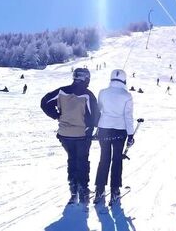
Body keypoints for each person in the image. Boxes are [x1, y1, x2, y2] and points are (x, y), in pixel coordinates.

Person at [40, 68, 99, 205]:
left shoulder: (61, 91)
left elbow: (44, 102)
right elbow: (95, 117)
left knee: (72, 159)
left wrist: (56, 115)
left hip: (65, 134)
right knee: (82, 161)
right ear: (85, 79)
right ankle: (83, 190)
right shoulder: (87, 95)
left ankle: (73, 189)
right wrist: (91, 127)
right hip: (81, 135)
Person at [94, 69, 134, 205]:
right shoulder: (127, 95)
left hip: (104, 129)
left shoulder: (103, 92)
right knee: (117, 160)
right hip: (120, 130)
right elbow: (128, 116)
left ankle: (99, 190)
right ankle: (115, 191)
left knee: (104, 159)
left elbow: (98, 110)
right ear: (124, 80)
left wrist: (96, 128)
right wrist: (130, 134)